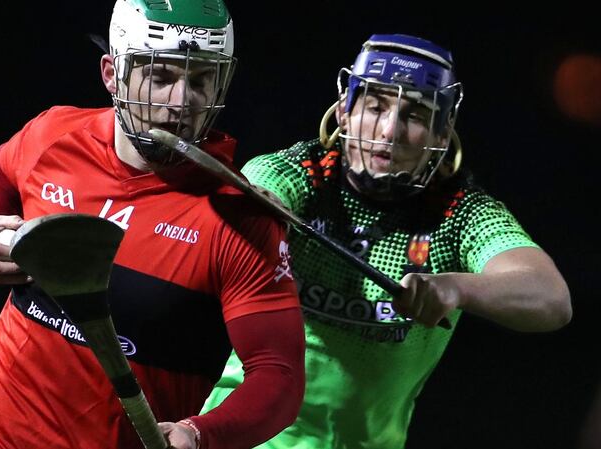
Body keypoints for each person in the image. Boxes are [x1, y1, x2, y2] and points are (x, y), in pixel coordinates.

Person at [0, 2, 306, 449]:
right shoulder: (55, 135)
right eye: (160, 77)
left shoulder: (240, 220)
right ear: (111, 73)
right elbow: (1, 165)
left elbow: (279, 377)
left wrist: (200, 435)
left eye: (200, 80)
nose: (181, 102)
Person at [200, 33, 573, 448]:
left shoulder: (460, 214)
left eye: (414, 115)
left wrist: (456, 286)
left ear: (443, 133)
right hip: (243, 437)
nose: (389, 130)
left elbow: (551, 298)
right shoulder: (301, 172)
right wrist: (260, 216)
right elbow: (258, 194)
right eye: (375, 107)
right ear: (344, 111)